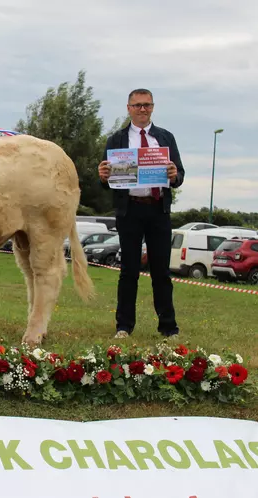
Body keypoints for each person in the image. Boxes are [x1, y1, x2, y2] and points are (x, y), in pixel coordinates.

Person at [97, 88, 185, 339]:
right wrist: (102, 176)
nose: (142, 109)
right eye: (137, 105)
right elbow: (107, 179)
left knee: (161, 272)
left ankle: (168, 327)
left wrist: (174, 175)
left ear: (153, 107)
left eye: (147, 105)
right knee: (128, 271)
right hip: (130, 210)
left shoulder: (165, 137)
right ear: (128, 108)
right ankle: (124, 327)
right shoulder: (116, 139)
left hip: (159, 209)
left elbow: (180, 175)